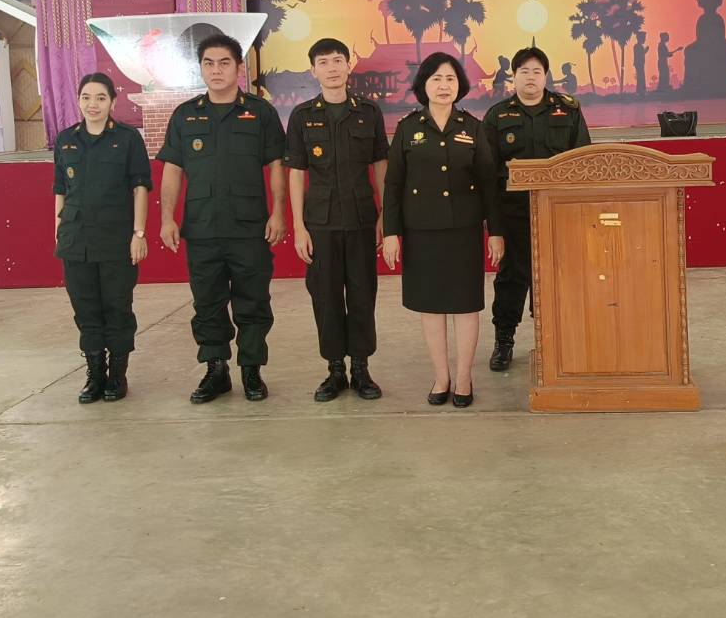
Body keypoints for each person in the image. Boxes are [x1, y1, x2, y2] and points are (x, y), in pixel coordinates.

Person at [158, 34, 287, 404]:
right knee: (207, 303)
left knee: (253, 301)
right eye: (209, 63)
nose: (216, 70)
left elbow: (276, 166)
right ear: (201, 68)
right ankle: (216, 370)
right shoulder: (185, 115)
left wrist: (279, 213)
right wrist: (167, 218)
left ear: (239, 68)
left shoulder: (260, 112)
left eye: (225, 63)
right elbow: (172, 170)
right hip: (202, 229)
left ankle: (251, 370)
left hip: (250, 228)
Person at [381, 53, 504, 408]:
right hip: (421, 230)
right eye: (436, 79)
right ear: (424, 85)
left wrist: (496, 231)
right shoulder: (408, 128)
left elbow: (489, 182)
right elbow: (393, 184)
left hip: (464, 230)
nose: (444, 85)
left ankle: (464, 377)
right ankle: (441, 376)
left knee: (466, 305)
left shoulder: (472, 127)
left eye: (450, 79)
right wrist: (390, 233)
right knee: (431, 306)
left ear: (459, 85)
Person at [285, 37, 389, 402]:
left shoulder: (369, 112)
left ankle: (360, 369)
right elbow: (296, 173)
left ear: (349, 65)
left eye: (337, 60)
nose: (332, 68)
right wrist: (299, 227)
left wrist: (385, 215)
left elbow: (380, 165)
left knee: (362, 294)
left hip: (361, 220)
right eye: (324, 62)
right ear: (313, 70)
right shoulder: (302, 116)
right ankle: (334, 370)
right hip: (321, 223)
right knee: (326, 298)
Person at [480, 46, 591, 371]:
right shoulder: (497, 116)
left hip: (559, 214)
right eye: (524, 71)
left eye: (537, 72)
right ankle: (504, 340)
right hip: (513, 214)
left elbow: (584, 161)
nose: (530, 77)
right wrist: (493, 226)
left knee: (559, 277)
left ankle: (554, 340)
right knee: (512, 278)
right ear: (514, 77)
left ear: (546, 76)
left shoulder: (567, 111)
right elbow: (486, 175)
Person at [53, 74, 152, 403]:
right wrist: (58, 230)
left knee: (117, 308)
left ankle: (117, 375)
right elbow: (60, 189)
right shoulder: (66, 139)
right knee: (85, 310)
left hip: (116, 239)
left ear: (112, 101)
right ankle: (95, 374)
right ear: (78, 100)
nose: (92, 104)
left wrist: (139, 233)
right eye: (86, 97)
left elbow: (140, 187)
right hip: (75, 239)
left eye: (100, 98)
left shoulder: (127, 139)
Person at [633, 31, 649, 98]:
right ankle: (640, 91)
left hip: (640, 64)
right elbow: (639, 55)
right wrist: (645, 51)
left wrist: (645, 51)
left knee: (641, 77)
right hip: (639, 64)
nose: (645, 39)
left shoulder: (639, 46)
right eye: (644, 38)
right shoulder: (637, 46)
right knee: (640, 77)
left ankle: (641, 91)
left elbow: (641, 54)